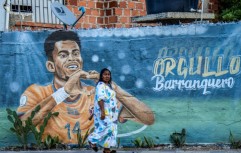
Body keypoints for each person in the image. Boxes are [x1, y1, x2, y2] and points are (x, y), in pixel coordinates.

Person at [17, 30, 155, 144]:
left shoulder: (96, 93)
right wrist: (64, 92)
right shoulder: (36, 92)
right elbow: (21, 127)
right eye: (63, 55)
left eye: (76, 53)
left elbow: (148, 118)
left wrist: (110, 85)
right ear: (51, 65)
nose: (72, 58)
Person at [88, 68, 118, 153]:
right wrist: (103, 112)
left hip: (112, 113)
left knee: (112, 130)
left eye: (108, 74)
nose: (107, 76)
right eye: (105, 74)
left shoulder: (109, 85)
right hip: (105, 111)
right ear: (101, 76)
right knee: (106, 128)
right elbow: (100, 99)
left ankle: (106, 149)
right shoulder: (100, 85)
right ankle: (91, 139)